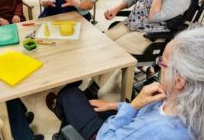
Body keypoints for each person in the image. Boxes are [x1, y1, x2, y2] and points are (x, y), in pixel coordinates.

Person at [46, 27, 204, 140]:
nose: (158, 64)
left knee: (70, 94)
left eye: (162, 62)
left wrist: (133, 105)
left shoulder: (159, 129)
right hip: (128, 125)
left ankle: (62, 114)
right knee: (84, 105)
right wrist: (114, 106)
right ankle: (66, 117)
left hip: (105, 134)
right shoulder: (186, 104)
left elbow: (104, 137)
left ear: (179, 80)